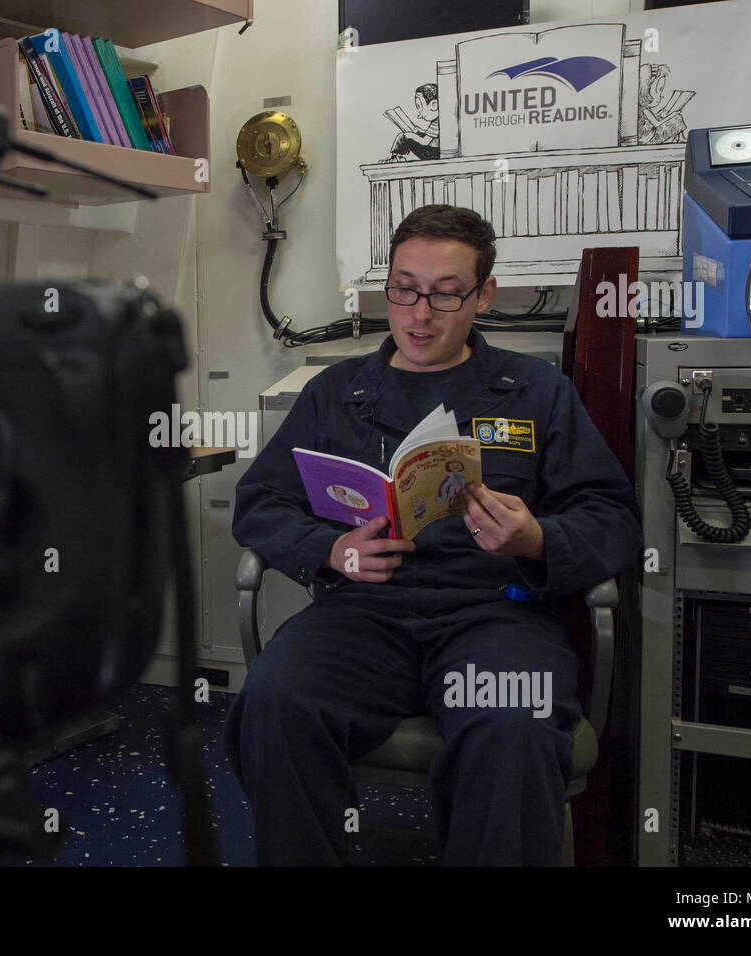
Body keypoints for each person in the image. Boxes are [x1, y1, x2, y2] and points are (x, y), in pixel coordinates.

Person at [225, 204, 642, 865]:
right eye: (403, 289)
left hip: (495, 614)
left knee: (514, 726)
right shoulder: (335, 391)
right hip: (361, 613)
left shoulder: (536, 392)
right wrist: (330, 549)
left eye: (446, 294)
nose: (420, 315)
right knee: (275, 704)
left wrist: (535, 538)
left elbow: (611, 516)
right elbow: (261, 502)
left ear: (483, 295)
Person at [387, 83, 440, 160]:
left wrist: (410, 135)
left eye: (420, 107)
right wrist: (419, 131)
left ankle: (395, 157)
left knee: (403, 137)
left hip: (434, 153)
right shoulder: (438, 122)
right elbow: (430, 136)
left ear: (434, 105)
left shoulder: (437, 123)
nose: (419, 115)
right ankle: (397, 157)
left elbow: (425, 141)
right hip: (434, 151)